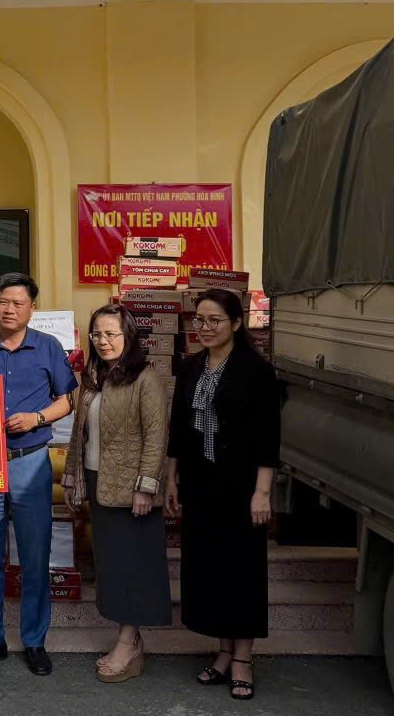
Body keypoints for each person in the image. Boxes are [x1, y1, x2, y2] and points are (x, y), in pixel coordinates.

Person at [0, 272, 77, 676]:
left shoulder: (48, 346)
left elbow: (67, 399)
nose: (9, 309)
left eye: (18, 303)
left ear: (31, 309)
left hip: (30, 461)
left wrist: (36, 417)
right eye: (3, 302)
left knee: (34, 554)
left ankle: (35, 641)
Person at [165, 288, 282, 702]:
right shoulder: (191, 366)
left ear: (235, 323)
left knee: (242, 571)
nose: (205, 327)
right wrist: (172, 478)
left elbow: (268, 437)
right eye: (199, 319)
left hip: (242, 487)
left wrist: (262, 492)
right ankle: (224, 651)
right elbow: (180, 428)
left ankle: (244, 659)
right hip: (201, 484)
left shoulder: (256, 371)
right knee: (210, 569)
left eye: (214, 320)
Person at [62, 304, 172, 683]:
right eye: (97, 334)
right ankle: (129, 638)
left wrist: (146, 487)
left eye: (111, 333)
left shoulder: (145, 379)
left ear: (128, 336)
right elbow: (79, 434)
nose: (103, 340)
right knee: (111, 566)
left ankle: (128, 642)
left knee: (132, 567)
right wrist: (72, 478)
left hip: (133, 492)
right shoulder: (93, 378)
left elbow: (156, 437)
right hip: (98, 485)